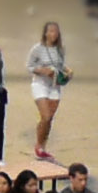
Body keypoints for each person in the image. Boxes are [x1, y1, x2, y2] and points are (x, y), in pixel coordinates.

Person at [24, 20, 70, 163]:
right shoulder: (37, 48)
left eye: (55, 31)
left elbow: (61, 66)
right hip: (40, 84)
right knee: (46, 116)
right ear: (45, 33)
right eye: (51, 31)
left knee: (49, 119)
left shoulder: (60, 49)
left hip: (55, 85)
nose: (53, 34)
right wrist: (42, 70)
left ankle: (42, 146)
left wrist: (67, 72)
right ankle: (38, 145)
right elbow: (29, 66)